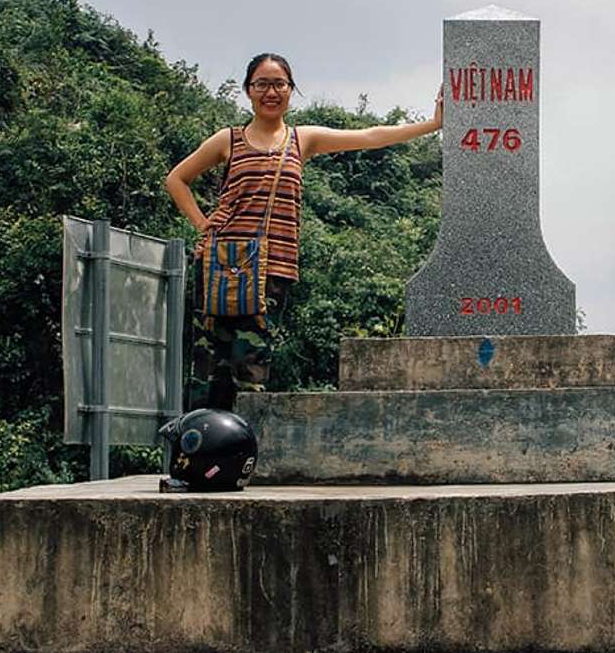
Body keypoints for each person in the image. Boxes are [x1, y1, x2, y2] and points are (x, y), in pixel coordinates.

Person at [166, 52, 442, 410]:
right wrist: (203, 223)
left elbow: (370, 136)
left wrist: (432, 125)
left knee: (252, 370)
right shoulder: (228, 140)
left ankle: (242, 456)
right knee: (207, 369)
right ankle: (199, 456)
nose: (271, 91)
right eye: (261, 84)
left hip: (272, 270)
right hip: (221, 267)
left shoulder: (301, 140)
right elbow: (176, 180)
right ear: (248, 91)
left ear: (291, 90)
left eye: (279, 84)